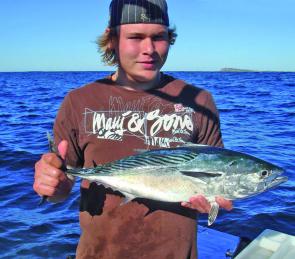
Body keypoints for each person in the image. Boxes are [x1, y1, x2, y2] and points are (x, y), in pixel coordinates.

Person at [33, 0, 232, 258]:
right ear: (112, 39)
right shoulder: (79, 101)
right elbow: (61, 189)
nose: (149, 49)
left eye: (159, 37)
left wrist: (215, 200)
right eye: (136, 37)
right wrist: (52, 185)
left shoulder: (200, 101)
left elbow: (218, 177)